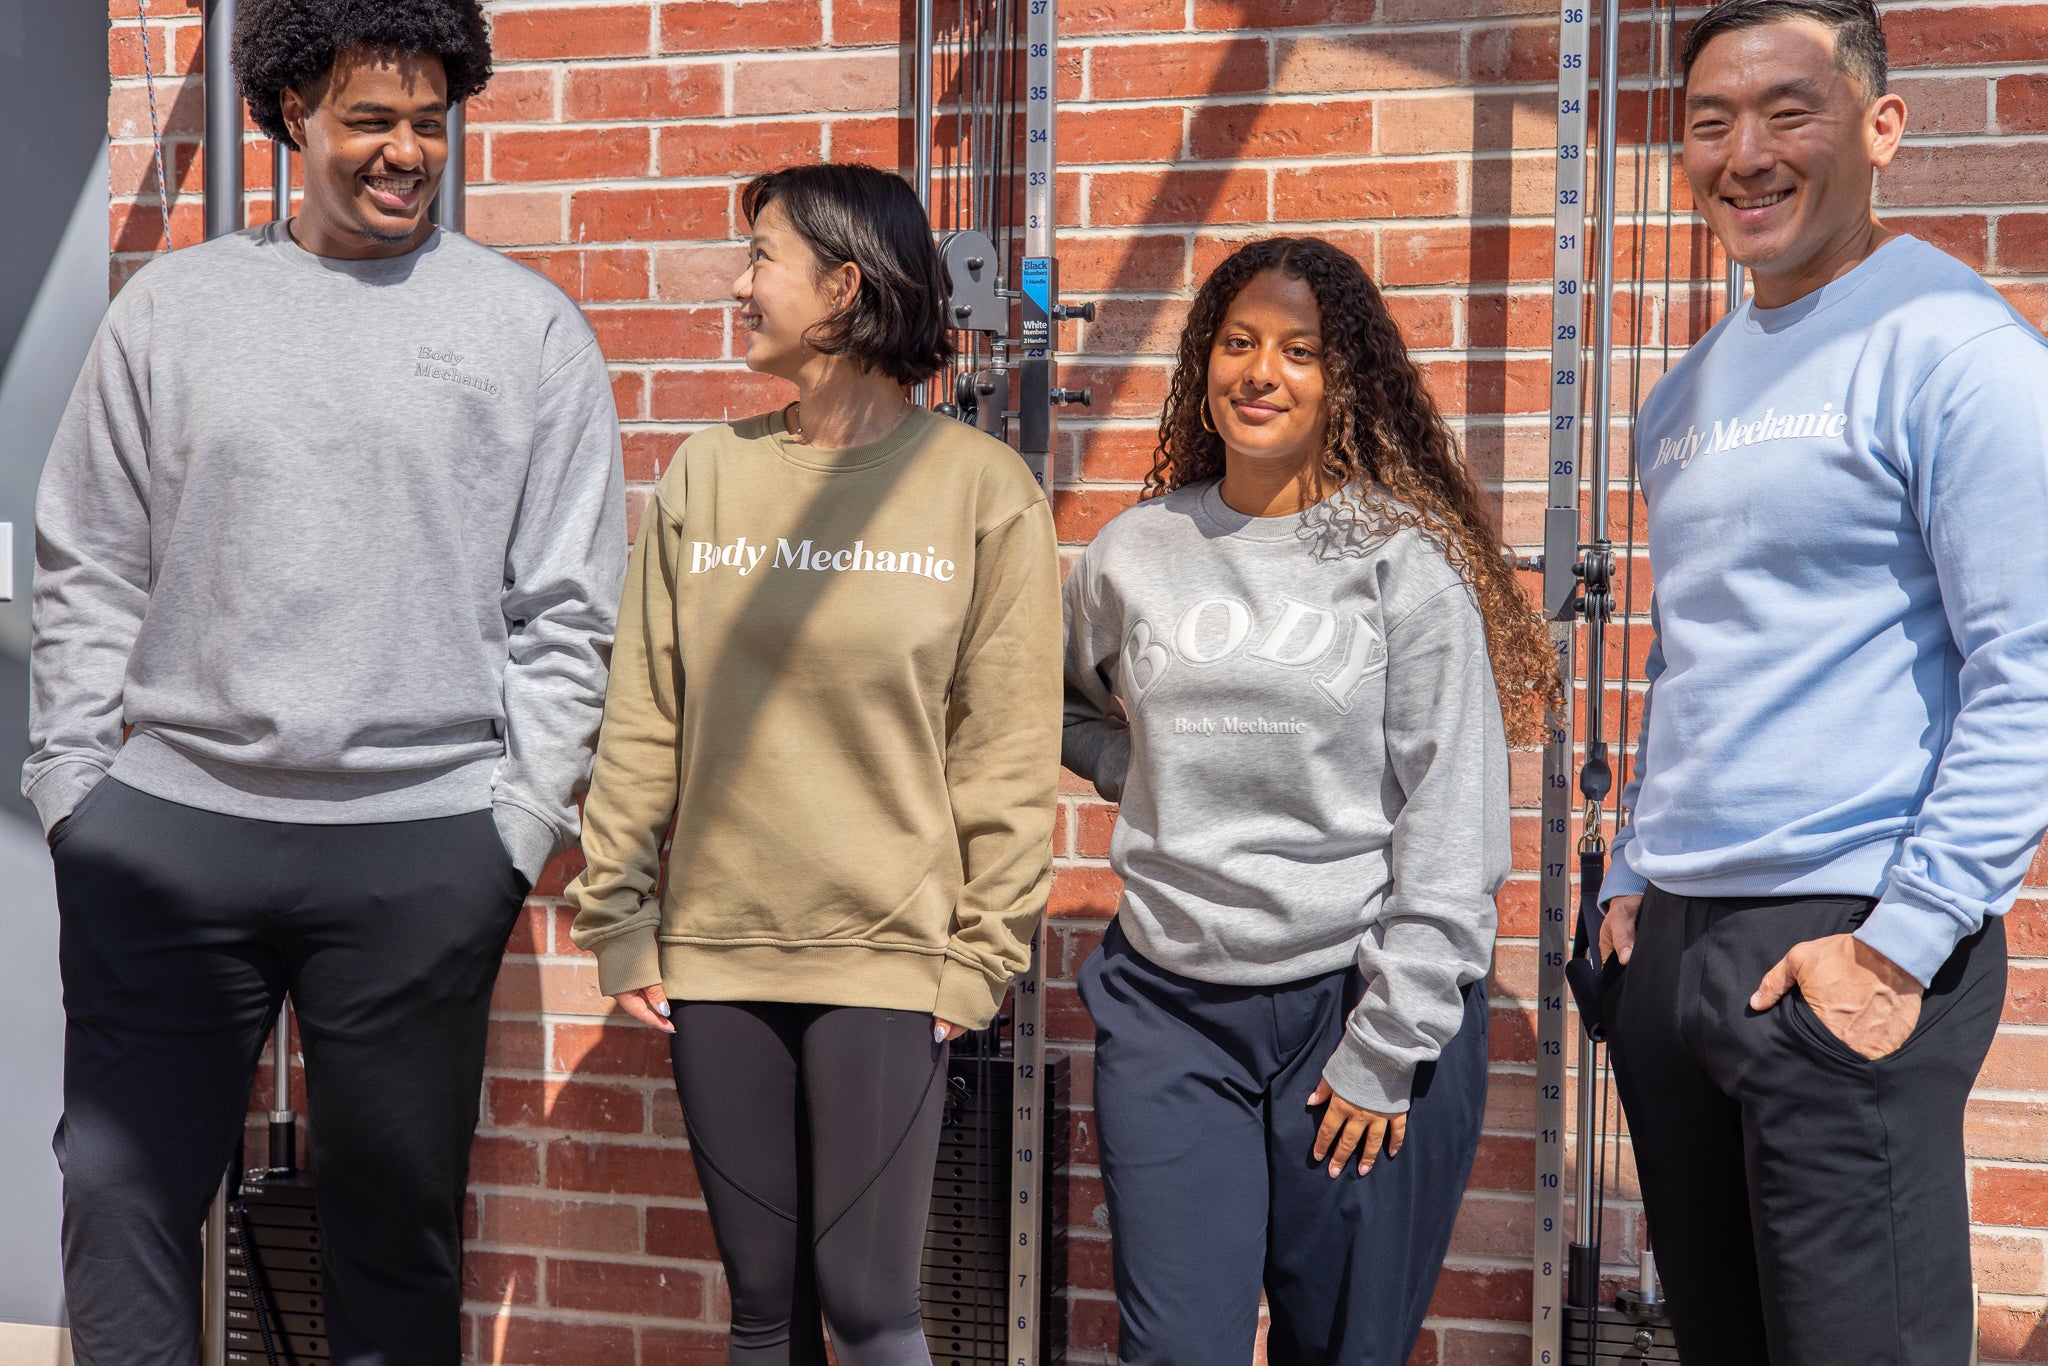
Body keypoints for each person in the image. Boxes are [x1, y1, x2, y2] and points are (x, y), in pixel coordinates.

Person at [22, 2, 627, 1360]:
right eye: (372, 118)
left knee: (395, 1221)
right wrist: (74, 786)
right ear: (295, 112)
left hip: (421, 842)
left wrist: (513, 823)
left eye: (429, 118)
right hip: (169, 830)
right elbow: (90, 561)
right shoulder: (173, 309)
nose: (407, 149)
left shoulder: (525, 330)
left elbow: (572, 605)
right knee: (117, 1192)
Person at [1594, 2, 2048, 1360]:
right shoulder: (1685, 393)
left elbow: (2029, 669)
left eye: (1790, 111)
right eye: (1711, 121)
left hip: (1845, 934)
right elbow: (1696, 648)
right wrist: (1631, 879)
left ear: (1881, 127)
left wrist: (1903, 939)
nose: (1746, 153)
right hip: (1682, 944)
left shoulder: (1960, 353)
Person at [567, 163, 1062, 1366]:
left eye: (760, 257)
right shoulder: (707, 474)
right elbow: (644, 712)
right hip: (718, 954)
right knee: (759, 1306)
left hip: (888, 961)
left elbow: (1004, 752)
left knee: (869, 1304)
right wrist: (617, 912)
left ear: (842, 287)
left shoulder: (979, 491)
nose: (740, 284)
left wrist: (978, 956)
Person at [1061, 236, 1559, 1365]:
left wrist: (1389, 1043)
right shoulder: (1137, 551)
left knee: (1342, 1347)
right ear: (1202, 363)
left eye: (1299, 350)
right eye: (1237, 343)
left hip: (1356, 1000)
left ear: (1345, 380)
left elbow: (1453, 813)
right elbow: (1048, 704)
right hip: (1170, 1007)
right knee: (1175, 1346)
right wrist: (1137, 770)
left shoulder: (1400, 561)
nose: (1260, 371)